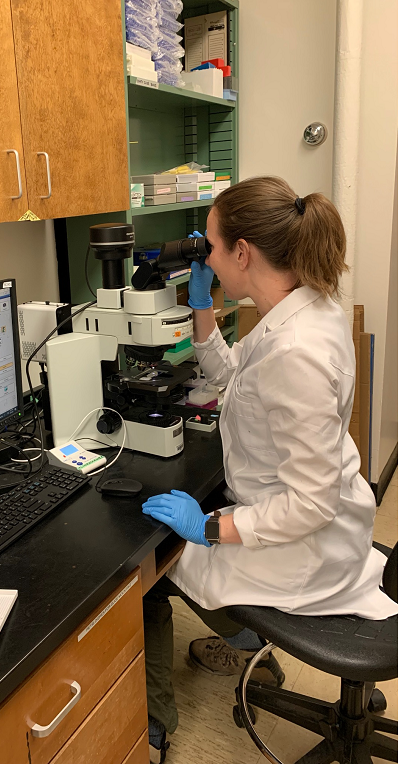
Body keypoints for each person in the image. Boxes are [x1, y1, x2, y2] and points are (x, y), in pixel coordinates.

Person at [141, 176, 398, 762]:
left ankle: (153, 729)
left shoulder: (296, 351)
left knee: (154, 568)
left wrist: (210, 528)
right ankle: (244, 639)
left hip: (306, 541)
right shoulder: (304, 308)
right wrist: (202, 307)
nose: (205, 257)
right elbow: (236, 379)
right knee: (187, 540)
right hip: (322, 515)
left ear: (242, 252)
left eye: (210, 245)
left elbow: (309, 505)